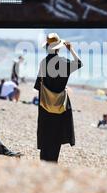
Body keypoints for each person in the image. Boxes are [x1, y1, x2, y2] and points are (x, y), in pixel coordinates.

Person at [34, 33, 83, 162]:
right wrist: (71, 49)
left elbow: (38, 86)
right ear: (58, 48)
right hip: (61, 104)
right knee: (56, 133)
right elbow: (79, 63)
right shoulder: (64, 62)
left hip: (44, 103)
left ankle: (43, 161)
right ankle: (53, 161)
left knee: (46, 132)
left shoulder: (43, 63)